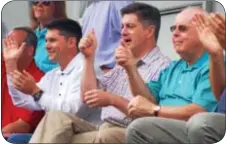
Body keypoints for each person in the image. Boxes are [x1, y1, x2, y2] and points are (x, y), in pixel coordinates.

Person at [27, 3, 171, 143]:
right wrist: (89, 58)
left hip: (132, 131)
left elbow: (146, 112)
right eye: (122, 26)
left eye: (130, 26)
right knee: (55, 117)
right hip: (104, 127)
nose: (123, 32)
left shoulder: (163, 67)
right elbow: (87, 96)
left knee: (67, 136)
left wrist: (112, 99)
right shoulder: (120, 66)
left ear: (149, 31)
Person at [125, 7, 220, 144]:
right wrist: (130, 68)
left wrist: (154, 109)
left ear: (203, 32)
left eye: (182, 29)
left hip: (190, 130)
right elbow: (147, 98)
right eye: (173, 29)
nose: (174, 34)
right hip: (161, 126)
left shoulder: (213, 65)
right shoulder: (173, 67)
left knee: (137, 129)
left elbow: (200, 111)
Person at [6, 19, 102, 136]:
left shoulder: (87, 68)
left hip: (85, 135)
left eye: (52, 40)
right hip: (60, 135)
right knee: (16, 139)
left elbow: (74, 112)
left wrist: (36, 92)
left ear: (71, 42)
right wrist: (10, 64)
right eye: (46, 41)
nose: (46, 46)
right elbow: (22, 100)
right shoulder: (52, 75)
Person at [2, 27, 44, 142]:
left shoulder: (40, 80)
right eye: (6, 44)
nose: (7, 50)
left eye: (13, 45)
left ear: (30, 50)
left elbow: (24, 125)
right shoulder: (3, 65)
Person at [81, 1, 134, 68]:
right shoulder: (89, 9)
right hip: (90, 70)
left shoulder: (119, 3)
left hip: (111, 72)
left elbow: (135, 38)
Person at [30, 0, 67, 72]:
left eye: (46, 2)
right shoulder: (29, 35)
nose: (39, 5)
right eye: (35, 1)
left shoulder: (64, 37)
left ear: (57, 7)